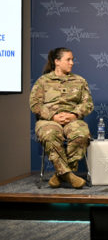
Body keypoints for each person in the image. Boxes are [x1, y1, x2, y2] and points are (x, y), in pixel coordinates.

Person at [30, 47, 93, 189]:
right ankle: (69, 175)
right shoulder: (43, 81)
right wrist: (53, 116)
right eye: (68, 60)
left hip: (73, 120)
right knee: (50, 134)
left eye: (72, 60)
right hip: (49, 121)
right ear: (57, 62)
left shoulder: (79, 81)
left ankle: (60, 174)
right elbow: (35, 104)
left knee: (82, 134)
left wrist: (73, 115)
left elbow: (87, 103)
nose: (72, 63)